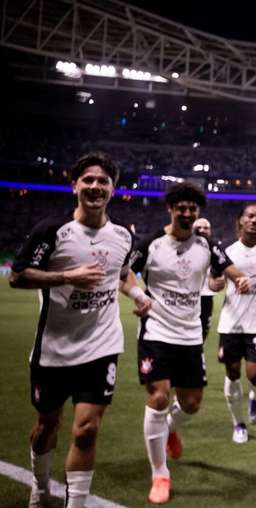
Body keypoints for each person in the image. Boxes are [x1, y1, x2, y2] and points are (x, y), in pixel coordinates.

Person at [9, 152, 151, 508]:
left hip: (101, 346)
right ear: (75, 185)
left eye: (103, 181)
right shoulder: (52, 230)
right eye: (87, 180)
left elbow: (121, 273)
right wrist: (66, 277)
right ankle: (40, 489)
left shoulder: (123, 236)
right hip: (54, 349)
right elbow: (18, 275)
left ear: (113, 189)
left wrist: (136, 293)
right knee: (47, 425)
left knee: (87, 429)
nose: (95, 187)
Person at [130, 182, 250, 504]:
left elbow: (229, 268)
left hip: (190, 336)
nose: (186, 213)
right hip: (156, 331)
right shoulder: (152, 243)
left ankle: (168, 428)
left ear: (197, 212)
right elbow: (125, 272)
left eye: (191, 208)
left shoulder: (207, 246)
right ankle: (160, 474)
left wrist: (241, 279)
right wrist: (138, 295)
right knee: (158, 396)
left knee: (192, 403)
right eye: (180, 207)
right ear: (170, 209)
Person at [216, 203, 256, 444]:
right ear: (241, 221)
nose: (254, 220)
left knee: (254, 376)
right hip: (230, 323)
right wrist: (219, 284)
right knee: (233, 374)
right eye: (250, 216)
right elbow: (215, 282)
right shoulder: (225, 251)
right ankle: (238, 424)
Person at [192, 218, 224, 341]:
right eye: (199, 227)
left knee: (203, 333)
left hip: (206, 296)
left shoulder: (215, 249)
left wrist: (219, 280)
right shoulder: (184, 247)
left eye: (206, 228)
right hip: (187, 297)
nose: (202, 230)